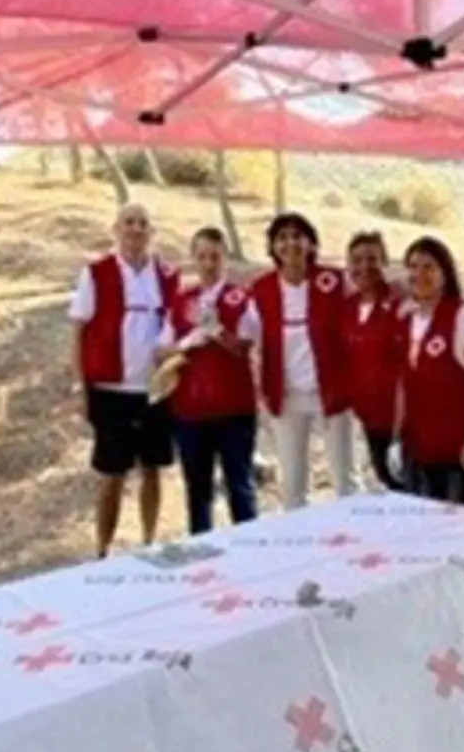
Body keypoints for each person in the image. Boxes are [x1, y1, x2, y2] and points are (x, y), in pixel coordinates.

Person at [71, 201, 180, 557]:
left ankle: (149, 543)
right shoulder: (96, 273)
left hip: (154, 389)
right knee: (112, 474)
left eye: (143, 223)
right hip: (110, 390)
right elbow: (78, 331)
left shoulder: (167, 276)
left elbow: (176, 328)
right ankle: (102, 550)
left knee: (153, 470)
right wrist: (80, 386)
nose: (136, 229)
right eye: (129, 222)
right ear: (116, 229)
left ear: (152, 232)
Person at [156, 227, 262, 534]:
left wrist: (218, 331)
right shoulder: (181, 301)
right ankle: (201, 561)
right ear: (194, 259)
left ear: (224, 258)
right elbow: (161, 351)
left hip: (234, 410)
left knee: (240, 488)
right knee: (197, 491)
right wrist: (185, 343)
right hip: (190, 412)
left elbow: (245, 347)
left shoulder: (240, 297)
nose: (208, 263)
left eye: (215, 256)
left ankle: (251, 552)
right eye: (202, 256)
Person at [251, 212, 358, 508]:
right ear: (272, 247)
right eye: (282, 238)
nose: (290, 243)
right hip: (286, 396)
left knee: (345, 480)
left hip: (332, 392)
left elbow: (363, 311)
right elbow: (248, 335)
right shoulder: (261, 289)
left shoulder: (334, 281)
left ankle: (357, 546)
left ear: (311, 243)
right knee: (294, 486)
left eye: (298, 236)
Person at [395, 237, 464, 505]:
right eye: (413, 267)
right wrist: (397, 438)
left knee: (463, 531)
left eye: (428, 267)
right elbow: (405, 385)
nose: (419, 274)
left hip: (460, 450)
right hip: (423, 449)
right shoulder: (409, 320)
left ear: (445, 272)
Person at [342, 231, 408, 491]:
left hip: (405, 422)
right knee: (389, 487)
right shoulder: (347, 309)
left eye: (372, 259)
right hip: (372, 419)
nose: (364, 267)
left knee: (415, 497)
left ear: (385, 262)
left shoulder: (401, 303)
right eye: (357, 260)